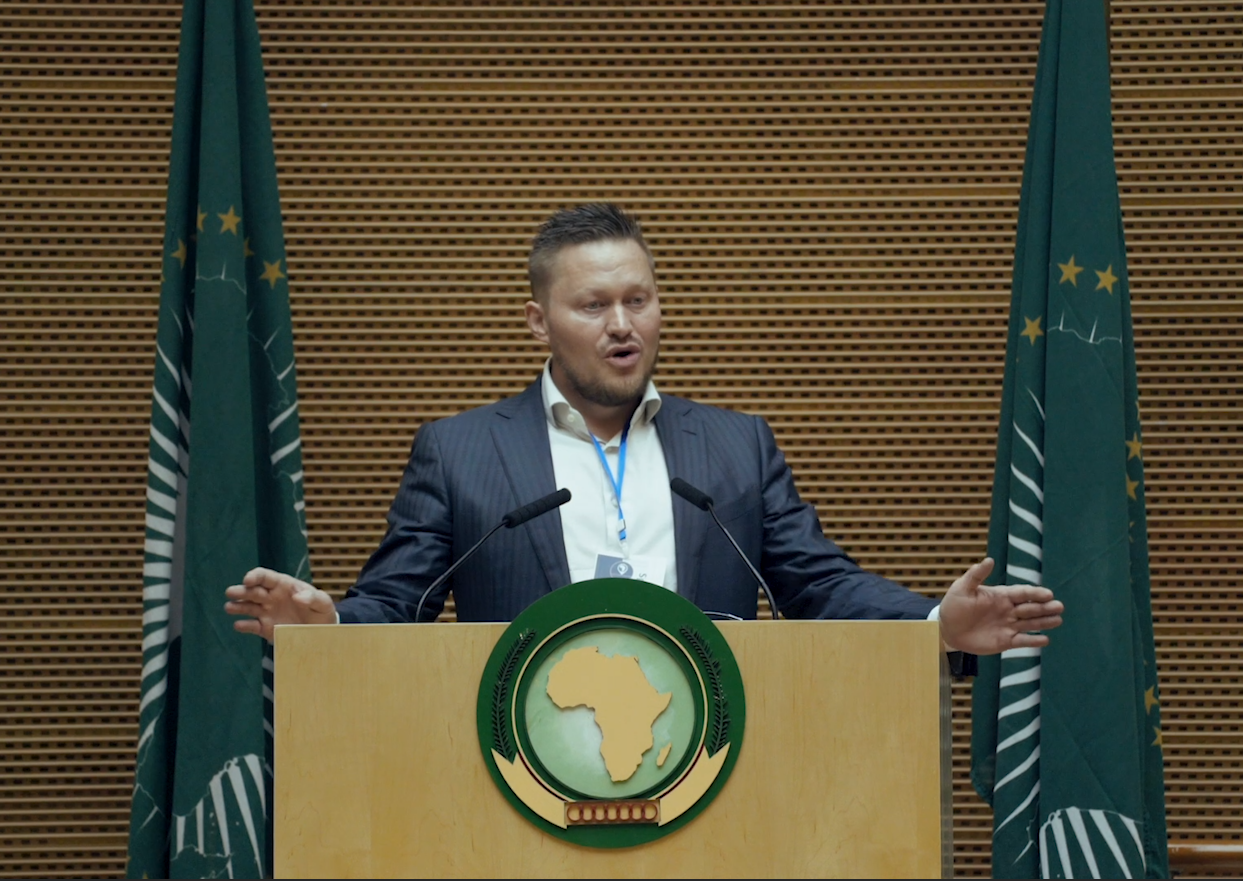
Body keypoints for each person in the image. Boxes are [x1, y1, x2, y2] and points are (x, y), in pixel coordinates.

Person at [225, 203, 1063, 656]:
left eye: (639, 299)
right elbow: (397, 603)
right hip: (515, 770)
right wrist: (329, 627)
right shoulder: (460, 452)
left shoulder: (736, 447)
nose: (622, 323)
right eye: (593, 305)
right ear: (537, 320)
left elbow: (817, 586)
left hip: (714, 762)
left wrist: (930, 625)